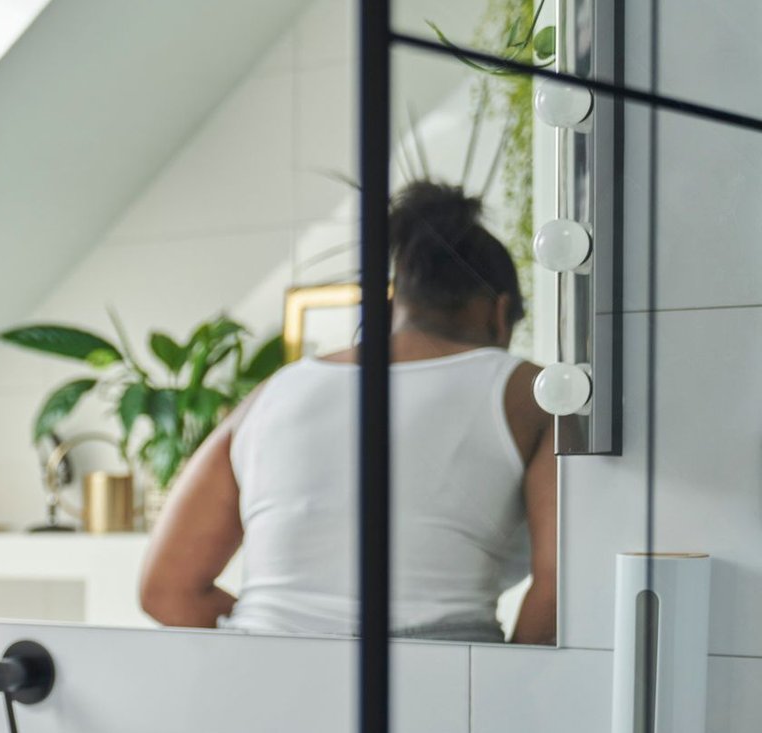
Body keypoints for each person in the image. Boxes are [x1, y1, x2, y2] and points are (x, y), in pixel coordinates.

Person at [139, 181, 556, 644]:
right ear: (499, 314)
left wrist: (292, 639)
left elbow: (167, 590)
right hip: (443, 680)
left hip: (260, 680)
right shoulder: (531, 392)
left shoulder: (274, 390)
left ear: (397, 303)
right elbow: (561, 585)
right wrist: (513, 699)